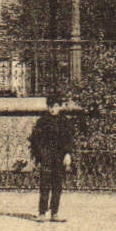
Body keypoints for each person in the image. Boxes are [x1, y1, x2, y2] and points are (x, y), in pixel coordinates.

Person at [29, 92, 76, 222]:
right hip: (46, 157)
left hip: (59, 157)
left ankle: (55, 213)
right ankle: (42, 213)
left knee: (57, 185)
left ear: (60, 106)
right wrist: (39, 156)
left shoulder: (65, 122)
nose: (53, 109)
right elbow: (36, 140)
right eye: (50, 106)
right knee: (44, 184)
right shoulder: (42, 122)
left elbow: (69, 140)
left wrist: (68, 154)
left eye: (55, 106)